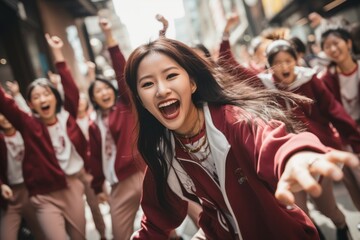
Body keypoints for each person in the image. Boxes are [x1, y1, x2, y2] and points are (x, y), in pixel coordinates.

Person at [124, 37, 358, 239]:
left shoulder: (233, 121)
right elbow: (155, 222)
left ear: (192, 83)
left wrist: (296, 155)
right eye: (147, 83)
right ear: (140, 99)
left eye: (171, 75)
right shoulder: (163, 156)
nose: (161, 90)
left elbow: (271, 140)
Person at [258, 39, 360, 240]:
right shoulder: (264, 86)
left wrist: (355, 140)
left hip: (315, 153)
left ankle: (341, 224)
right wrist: (226, 36)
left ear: (297, 59)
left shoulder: (310, 80)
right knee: (299, 212)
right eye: (278, 63)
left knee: (327, 208)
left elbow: (334, 110)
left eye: (288, 60)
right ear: (270, 66)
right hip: (286, 158)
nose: (284, 66)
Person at [0, 33, 88, 239]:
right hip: (44, 196)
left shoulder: (68, 116)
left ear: (55, 98)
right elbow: (5, 103)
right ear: (30, 105)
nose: (42, 99)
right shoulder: (28, 124)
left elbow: (71, 90)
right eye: (36, 97)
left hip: (72, 188)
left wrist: (57, 52)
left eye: (46, 93)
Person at [87, 18, 145, 240]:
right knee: (119, 233)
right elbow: (94, 158)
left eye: (105, 88)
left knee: (172, 221)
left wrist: (109, 36)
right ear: (93, 98)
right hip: (118, 183)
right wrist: (97, 186)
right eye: (97, 91)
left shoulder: (126, 106)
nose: (103, 93)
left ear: (113, 90)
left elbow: (121, 70)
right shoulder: (94, 123)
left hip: (143, 171)